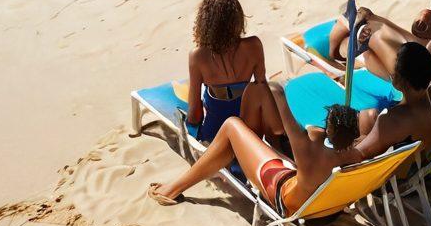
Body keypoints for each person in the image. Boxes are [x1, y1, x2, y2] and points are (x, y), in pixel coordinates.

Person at [149, 82, 361, 214]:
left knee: (232, 125)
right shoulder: (359, 154)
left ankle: (173, 189)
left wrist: (270, 86)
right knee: (257, 140)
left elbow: (278, 95)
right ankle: (230, 153)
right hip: (326, 208)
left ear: (329, 129)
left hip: (287, 201)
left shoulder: (309, 145)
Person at [185, 0, 266, 142]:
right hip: (250, 131)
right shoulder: (254, 45)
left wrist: (188, 121)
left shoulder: (198, 56)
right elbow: (263, 90)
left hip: (216, 136)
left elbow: (195, 114)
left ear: (204, 24)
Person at [355, 42, 431, 159]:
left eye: (395, 69)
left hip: (402, 172)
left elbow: (357, 155)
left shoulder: (393, 119)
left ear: (403, 80)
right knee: (368, 114)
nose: (392, 72)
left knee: (365, 116)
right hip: (429, 158)